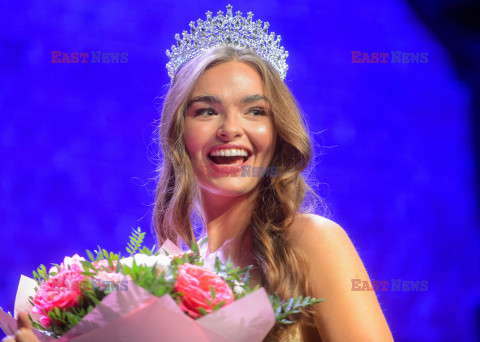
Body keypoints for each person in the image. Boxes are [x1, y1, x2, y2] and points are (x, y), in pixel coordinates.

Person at [4, 6, 393, 342]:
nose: (230, 128)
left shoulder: (310, 241)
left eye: (255, 111)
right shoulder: (169, 274)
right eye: (206, 111)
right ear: (178, 134)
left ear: (278, 132)